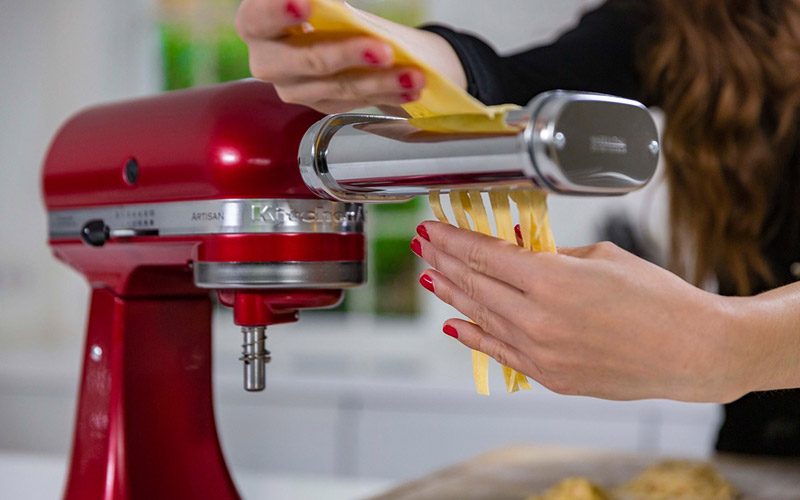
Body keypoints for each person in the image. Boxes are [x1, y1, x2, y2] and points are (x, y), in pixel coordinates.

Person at [236, 0, 800, 456]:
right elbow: (513, 84)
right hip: (754, 454)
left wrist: (723, 345)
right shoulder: (696, 18)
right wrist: (409, 62)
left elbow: (728, 346)